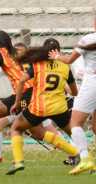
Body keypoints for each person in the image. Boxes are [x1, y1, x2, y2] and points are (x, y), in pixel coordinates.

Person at [0, 31, 60, 165]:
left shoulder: (1, 53)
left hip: (25, 94)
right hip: (34, 94)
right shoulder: (18, 56)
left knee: (31, 129)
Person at [6, 38, 79, 175]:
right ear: (58, 51)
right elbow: (75, 92)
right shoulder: (65, 67)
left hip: (39, 108)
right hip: (59, 108)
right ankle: (85, 157)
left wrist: (17, 102)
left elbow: (21, 81)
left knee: (16, 127)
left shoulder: (37, 65)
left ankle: (18, 162)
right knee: (74, 132)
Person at [48, 17, 96, 175]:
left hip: (92, 82)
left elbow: (68, 59)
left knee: (75, 122)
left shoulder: (88, 39)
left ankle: (85, 159)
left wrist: (56, 56)